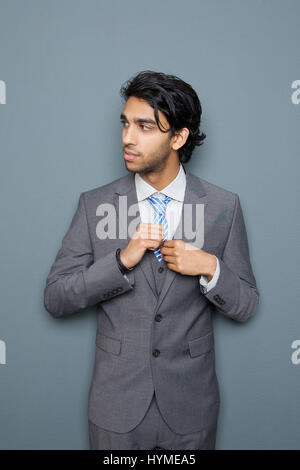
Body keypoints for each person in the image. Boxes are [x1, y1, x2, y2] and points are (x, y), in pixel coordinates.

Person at [43, 70, 259, 450]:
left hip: (192, 408)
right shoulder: (95, 205)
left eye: (144, 126)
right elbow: (57, 298)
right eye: (125, 124)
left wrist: (210, 268)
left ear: (178, 137)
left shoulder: (223, 207)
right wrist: (121, 260)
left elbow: (245, 305)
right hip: (116, 408)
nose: (127, 137)